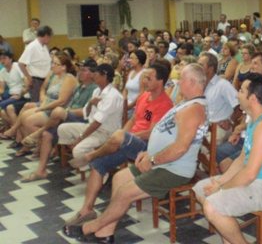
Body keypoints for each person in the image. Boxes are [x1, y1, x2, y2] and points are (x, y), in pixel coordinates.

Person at [62, 64, 209, 243]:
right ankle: (105, 234)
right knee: (119, 178)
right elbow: (167, 136)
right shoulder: (186, 104)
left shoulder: (194, 109)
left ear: (192, 82)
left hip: (173, 169)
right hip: (162, 161)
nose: (177, 82)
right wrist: (148, 152)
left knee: (124, 193)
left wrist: (153, 160)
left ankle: (90, 227)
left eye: (181, 79)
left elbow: (180, 148)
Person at [64, 65, 174, 225]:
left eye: (149, 78)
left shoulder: (165, 104)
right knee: (97, 165)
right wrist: (122, 135)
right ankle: (86, 210)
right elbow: (134, 120)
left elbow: (151, 133)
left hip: (147, 147)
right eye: (145, 77)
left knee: (119, 137)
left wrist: (125, 136)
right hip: (131, 142)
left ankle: (90, 155)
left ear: (160, 82)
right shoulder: (144, 97)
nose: (144, 81)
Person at [193, 73, 262, 244]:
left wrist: (222, 189)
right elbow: (241, 160)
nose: (237, 94)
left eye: (241, 91)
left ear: (252, 98)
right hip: (257, 182)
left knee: (212, 206)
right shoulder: (255, 120)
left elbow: (249, 174)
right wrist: (220, 182)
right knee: (201, 188)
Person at [20, 60, 98, 182]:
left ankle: (38, 132)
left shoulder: (95, 89)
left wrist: (68, 112)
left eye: (84, 70)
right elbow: (71, 105)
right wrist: (68, 111)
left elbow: (86, 111)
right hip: (70, 118)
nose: (80, 72)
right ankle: (41, 171)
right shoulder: (78, 87)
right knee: (47, 134)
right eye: (80, 69)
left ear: (93, 73)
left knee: (58, 111)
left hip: (83, 121)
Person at [58, 64, 123, 171]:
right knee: (62, 128)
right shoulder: (96, 91)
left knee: (78, 151)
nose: (93, 76)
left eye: (96, 74)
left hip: (106, 133)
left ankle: (99, 169)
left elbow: (98, 122)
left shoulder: (112, 96)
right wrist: (91, 103)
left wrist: (80, 138)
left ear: (104, 76)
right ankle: (92, 160)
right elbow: (87, 113)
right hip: (92, 128)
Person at [13, 52, 79, 157]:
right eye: (52, 63)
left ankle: (47, 145)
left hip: (58, 110)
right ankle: (42, 145)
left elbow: (61, 101)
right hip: (49, 105)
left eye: (55, 64)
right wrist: (43, 100)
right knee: (25, 115)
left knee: (29, 120)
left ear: (63, 67)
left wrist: (43, 108)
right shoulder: (55, 76)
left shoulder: (69, 78)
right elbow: (43, 89)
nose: (52, 66)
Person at [198, 52, 240, 145]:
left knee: (203, 150)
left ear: (210, 68)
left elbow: (239, 106)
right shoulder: (199, 84)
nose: (197, 68)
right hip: (201, 126)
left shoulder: (223, 85)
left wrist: (230, 121)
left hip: (218, 128)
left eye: (201, 65)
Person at [18, 25, 53, 102]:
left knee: (44, 102)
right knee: (36, 103)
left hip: (45, 79)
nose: (50, 39)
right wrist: (29, 77)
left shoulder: (44, 47)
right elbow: (21, 63)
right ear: (46, 36)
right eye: (50, 37)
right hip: (36, 80)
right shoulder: (32, 47)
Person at [123, 49, 146, 118]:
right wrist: (124, 102)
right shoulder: (131, 72)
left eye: (132, 58)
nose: (129, 60)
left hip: (135, 107)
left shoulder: (143, 74)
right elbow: (125, 90)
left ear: (138, 60)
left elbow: (142, 93)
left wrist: (129, 106)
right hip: (127, 104)